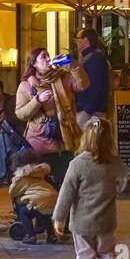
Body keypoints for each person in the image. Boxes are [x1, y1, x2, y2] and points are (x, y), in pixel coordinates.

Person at [53, 116, 130, 259]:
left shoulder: (77, 164)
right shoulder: (114, 162)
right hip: (106, 222)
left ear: (84, 138)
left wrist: (59, 218)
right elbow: (123, 182)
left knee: (85, 258)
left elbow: (66, 192)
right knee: (107, 254)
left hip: (82, 223)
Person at [15, 48, 88, 188]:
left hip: (64, 140)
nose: (48, 59)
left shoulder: (62, 77)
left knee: (67, 184)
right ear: (34, 63)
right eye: (43, 57)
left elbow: (83, 85)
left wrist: (73, 65)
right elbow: (20, 114)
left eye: (48, 55)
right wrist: (38, 100)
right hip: (39, 143)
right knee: (45, 186)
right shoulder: (26, 86)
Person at [8, 146, 58, 244]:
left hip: (39, 201)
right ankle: (51, 236)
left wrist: (14, 181)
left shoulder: (22, 177)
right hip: (53, 200)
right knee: (44, 214)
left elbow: (12, 192)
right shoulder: (40, 173)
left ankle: (30, 235)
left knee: (23, 212)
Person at [74, 26, 111, 126]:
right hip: (88, 109)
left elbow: (98, 87)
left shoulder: (96, 58)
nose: (76, 41)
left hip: (91, 112)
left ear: (86, 40)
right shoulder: (89, 57)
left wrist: (87, 111)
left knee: (89, 141)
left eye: (78, 38)